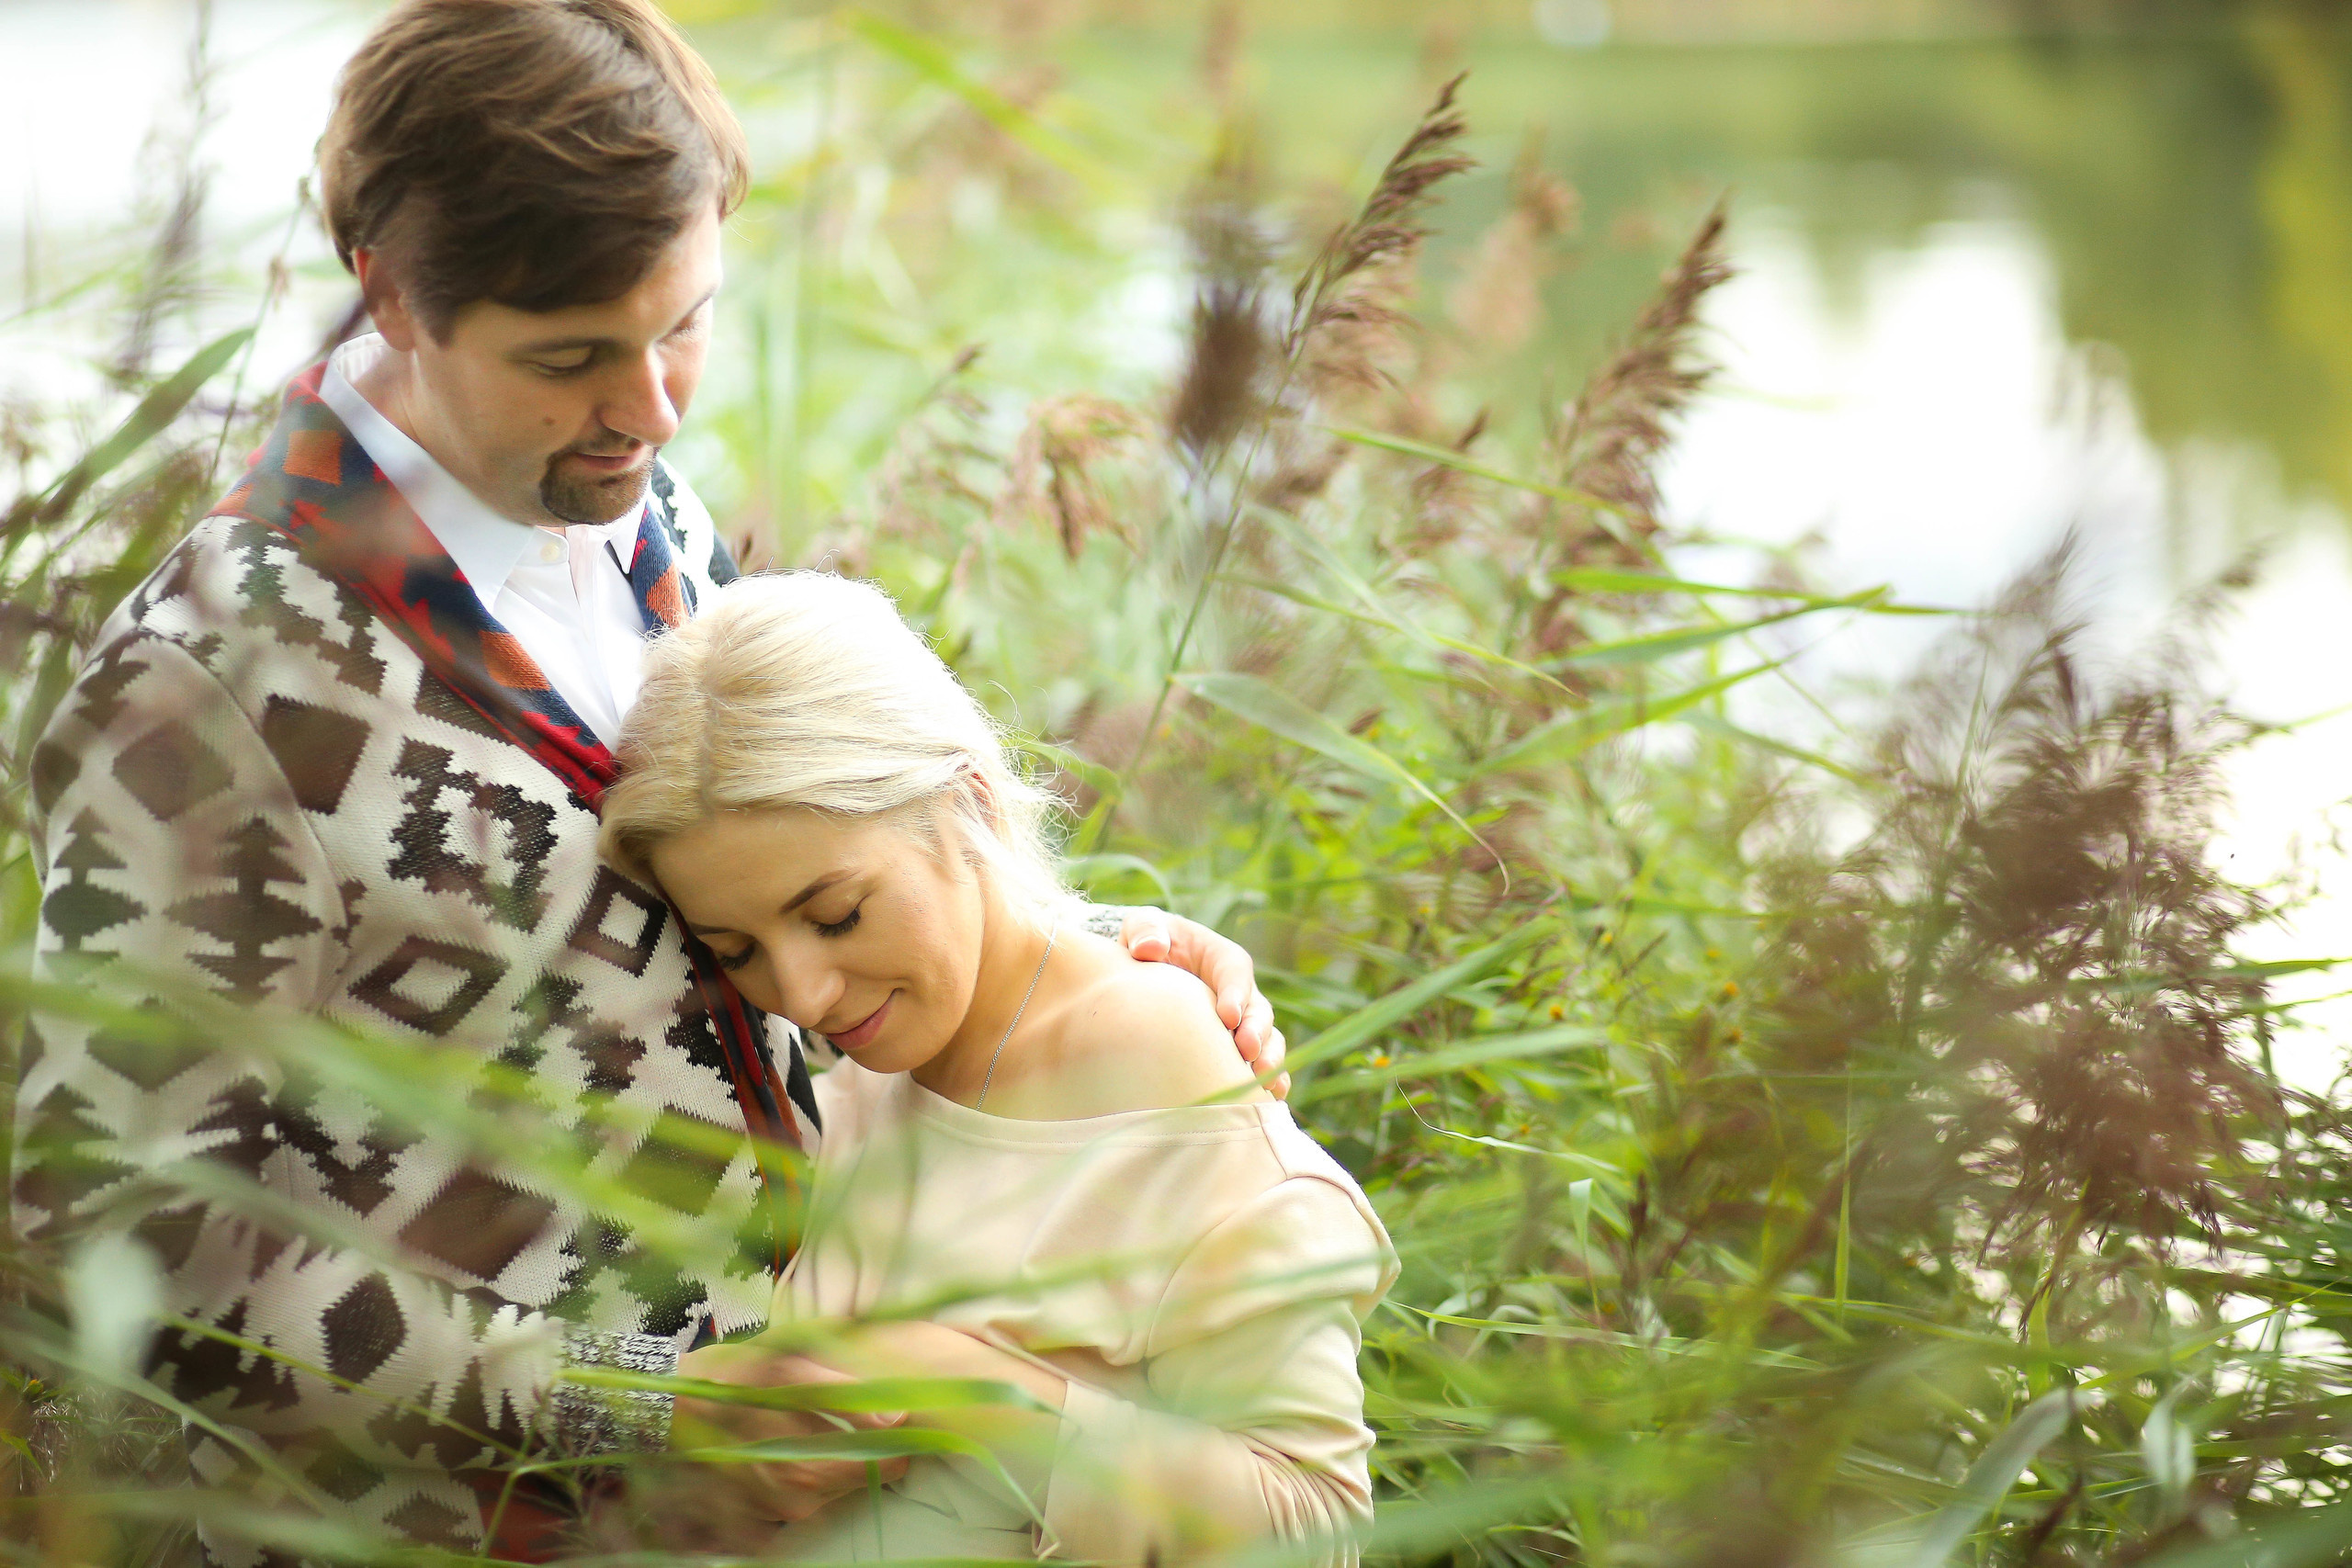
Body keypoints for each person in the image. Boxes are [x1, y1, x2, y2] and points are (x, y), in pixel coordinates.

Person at [10, 2, 1282, 1560]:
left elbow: (760, 906)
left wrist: (1067, 946)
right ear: (392, 297)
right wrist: (629, 1399)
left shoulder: (644, 516)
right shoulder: (200, 691)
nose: (656, 405)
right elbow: (116, 1269)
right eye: (574, 358)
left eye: (683, 323)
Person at [599, 570, 1396, 1565]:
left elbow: (1319, 1534)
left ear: (966, 800)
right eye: (737, 947)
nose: (801, 998)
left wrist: (979, 1393)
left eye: (836, 914)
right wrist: (666, 1413)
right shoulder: (817, 1088)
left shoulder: (1173, 1083)